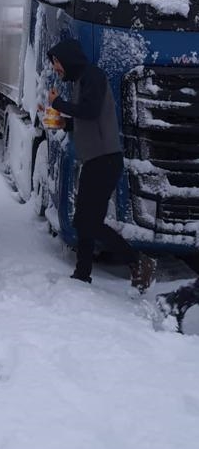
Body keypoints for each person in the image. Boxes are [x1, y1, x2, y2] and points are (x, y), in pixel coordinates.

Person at [47, 38, 156, 293]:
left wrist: (58, 104)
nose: (56, 69)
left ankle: (138, 261)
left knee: (89, 222)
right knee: (85, 221)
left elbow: (91, 110)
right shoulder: (81, 80)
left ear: (68, 59)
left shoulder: (92, 76)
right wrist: (65, 123)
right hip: (96, 160)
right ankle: (82, 274)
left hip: (104, 160)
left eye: (57, 63)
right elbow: (87, 120)